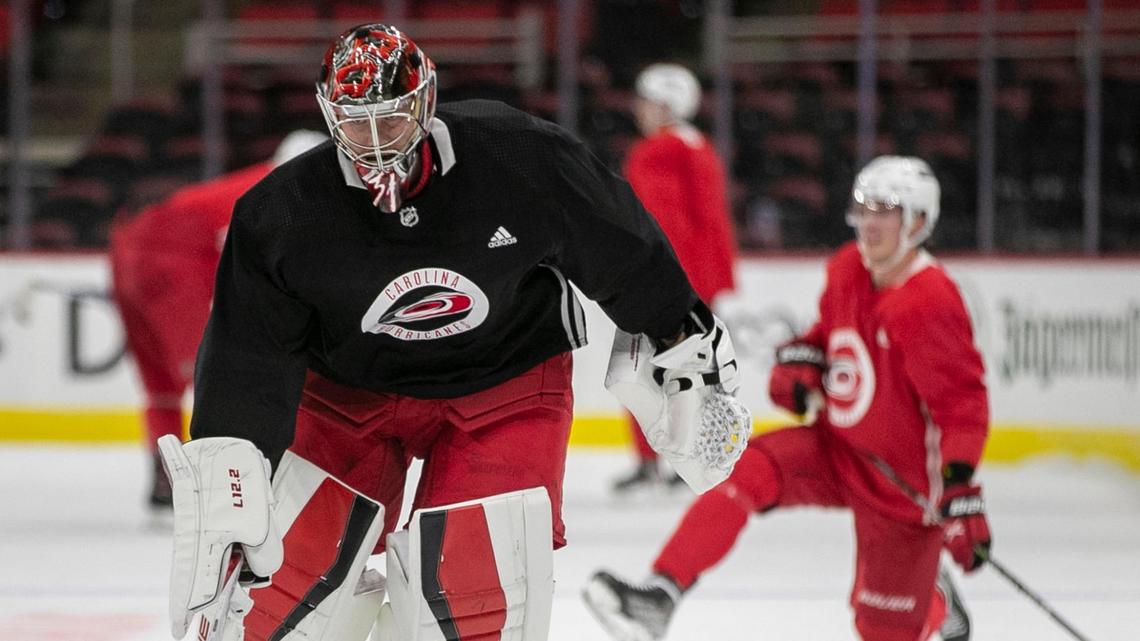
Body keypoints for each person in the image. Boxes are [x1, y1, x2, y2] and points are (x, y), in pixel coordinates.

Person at [155, 24, 746, 641]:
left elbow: (624, 251)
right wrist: (231, 482)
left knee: (471, 606)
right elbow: (249, 360)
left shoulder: (519, 154)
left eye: (392, 118)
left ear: (427, 101)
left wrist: (684, 343)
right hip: (347, 393)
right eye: (357, 122)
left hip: (503, 382)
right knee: (280, 607)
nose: (376, 142)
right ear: (330, 116)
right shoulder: (282, 213)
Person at [583, 156, 992, 641]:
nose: (868, 221)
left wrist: (960, 488)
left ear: (918, 222)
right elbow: (827, 336)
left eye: (885, 210)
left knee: (880, 627)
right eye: (863, 207)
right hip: (838, 449)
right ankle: (660, 595)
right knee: (744, 471)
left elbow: (961, 404)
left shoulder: (931, 300)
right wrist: (803, 360)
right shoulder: (848, 268)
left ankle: (935, 603)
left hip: (901, 485)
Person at [109, 130, 327, 509]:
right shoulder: (287, 192)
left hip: (126, 251)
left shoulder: (239, 187)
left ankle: (165, 480)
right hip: (167, 267)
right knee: (212, 375)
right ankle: (218, 483)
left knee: (160, 379)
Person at [612, 63, 738, 495]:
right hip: (697, 279)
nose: (639, 109)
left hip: (669, 279)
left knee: (645, 369)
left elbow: (654, 223)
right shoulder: (698, 146)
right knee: (696, 370)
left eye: (646, 101)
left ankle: (656, 462)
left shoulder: (658, 151)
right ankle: (702, 456)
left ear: (665, 105)